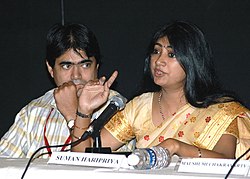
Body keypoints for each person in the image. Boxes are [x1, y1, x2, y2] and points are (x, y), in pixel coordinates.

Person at [70, 20, 250, 160]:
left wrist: (176, 147)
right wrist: (84, 111)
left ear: (193, 61)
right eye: (156, 52)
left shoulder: (222, 111)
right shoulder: (140, 106)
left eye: (171, 54)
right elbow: (84, 155)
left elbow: (226, 160)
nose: (159, 61)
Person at [0, 22, 119, 158]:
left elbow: (93, 169)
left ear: (96, 67)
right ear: (51, 69)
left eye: (85, 65)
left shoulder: (115, 108)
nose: (76, 75)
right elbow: (3, 164)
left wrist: (72, 117)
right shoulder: (33, 112)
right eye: (66, 66)